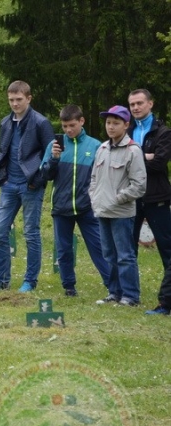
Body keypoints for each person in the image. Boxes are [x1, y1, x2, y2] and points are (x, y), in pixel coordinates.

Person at [37, 105, 113, 297]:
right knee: (64, 250)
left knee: (99, 247)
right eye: (64, 126)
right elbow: (45, 175)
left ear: (82, 121)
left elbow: (104, 177)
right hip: (61, 207)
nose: (68, 130)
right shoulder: (54, 146)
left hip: (87, 207)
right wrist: (54, 159)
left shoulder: (96, 146)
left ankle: (112, 286)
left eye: (72, 125)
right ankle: (69, 287)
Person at [0, 80, 54, 292]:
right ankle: (2, 280)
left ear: (29, 98)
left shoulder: (41, 123)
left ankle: (30, 281)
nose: (15, 104)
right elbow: (3, 151)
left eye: (19, 100)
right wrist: (2, 178)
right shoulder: (6, 122)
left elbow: (50, 155)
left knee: (31, 233)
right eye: (11, 100)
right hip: (9, 185)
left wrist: (38, 181)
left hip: (31, 185)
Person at [90, 105, 146, 306]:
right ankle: (114, 292)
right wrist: (94, 197)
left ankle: (130, 296)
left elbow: (139, 186)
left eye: (116, 123)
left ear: (126, 125)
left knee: (125, 255)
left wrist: (117, 199)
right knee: (109, 254)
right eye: (108, 123)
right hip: (102, 210)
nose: (111, 127)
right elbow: (94, 178)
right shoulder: (103, 148)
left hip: (122, 213)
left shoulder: (133, 150)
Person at [127, 89, 171, 270]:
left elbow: (159, 164)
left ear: (150, 104)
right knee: (128, 247)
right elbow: (118, 163)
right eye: (132, 104)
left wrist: (134, 160)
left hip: (156, 196)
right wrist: (147, 157)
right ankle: (129, 291)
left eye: (139, 103)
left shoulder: (163, 132)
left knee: (167, 247)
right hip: (130, 198)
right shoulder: (126, 130)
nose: (135, 107)